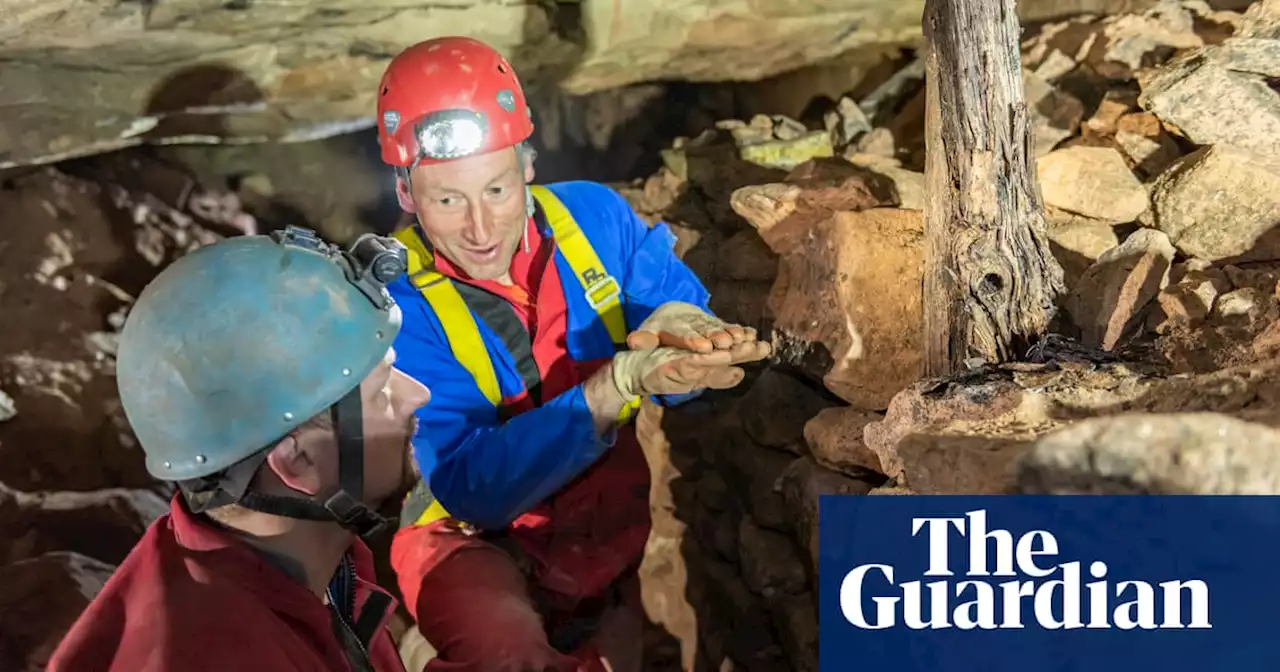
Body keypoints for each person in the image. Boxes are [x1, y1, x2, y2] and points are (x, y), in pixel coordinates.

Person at [376, 36, 773, 671]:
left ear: (528, 164)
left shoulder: (591, 218)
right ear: (405, 193)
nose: (481, 229)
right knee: (510, 653)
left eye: (498, 191)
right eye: (448, 200)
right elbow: (471, 485)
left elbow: (662, 310)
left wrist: (683, 334)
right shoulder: (400, 307)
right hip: (464, 544)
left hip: (597, 545)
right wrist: (614, 385)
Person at [48, 226, 431, 672]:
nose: (418, 394)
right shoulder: (218, 654)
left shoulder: (316, 571)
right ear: (297, 460)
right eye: (383, 393)